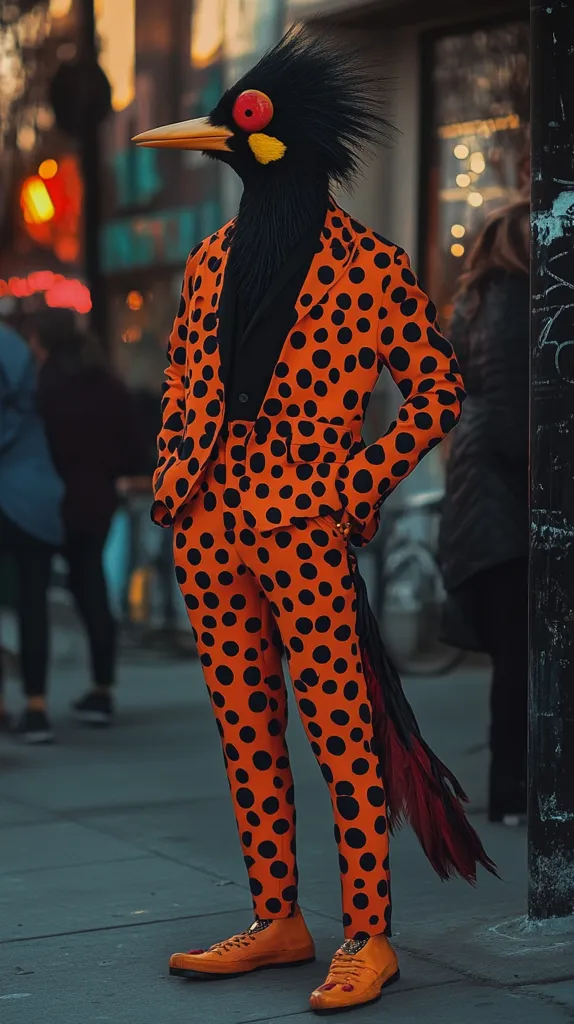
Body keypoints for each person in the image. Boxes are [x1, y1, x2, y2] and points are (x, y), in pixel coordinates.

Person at [135, 27, 495, 1015]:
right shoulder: (208, 263)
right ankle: (278, 916)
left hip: (302, 519)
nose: (221, 136)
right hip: (209, 522)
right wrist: (174, 469)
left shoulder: (369, 265)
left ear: (283, 141)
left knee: (341, 729)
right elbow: (180, 379)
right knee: (244, 724)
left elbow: (435, 394)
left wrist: (358, 482)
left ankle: (367, 932)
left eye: (241, 122)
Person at [438, 199, 529, 825]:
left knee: (513, 657)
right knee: (525, 658)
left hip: (479, 504)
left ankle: (512, 793)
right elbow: (517, 415)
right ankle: (518, 793)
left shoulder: (473, 301)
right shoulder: (518, 302)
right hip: (507, 507)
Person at [27, 309, 146, 727]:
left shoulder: (40, 388)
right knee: (92, 586)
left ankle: (34, 700)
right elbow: (132, 447)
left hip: (42, 501)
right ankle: (102, 688)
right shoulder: (108, 385)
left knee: (32, 597)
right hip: (95, 500)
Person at [0, 318, 64, 742]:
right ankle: (36, 704)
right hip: (38, 496)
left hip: (6, 495)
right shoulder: (15, 349)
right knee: (33, 605)